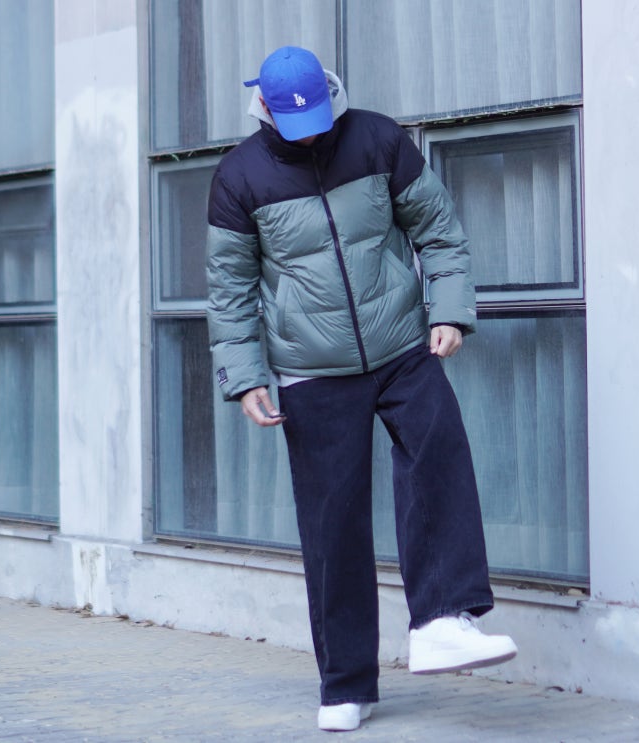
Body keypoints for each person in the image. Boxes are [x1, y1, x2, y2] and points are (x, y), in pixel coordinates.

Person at [206, 46, 517, 733]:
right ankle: (346, 682)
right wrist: (244, 374)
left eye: (317, 119)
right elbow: (229, 290)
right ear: (265, 109)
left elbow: (438, 231)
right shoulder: (239, 176)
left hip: (401, 343)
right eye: (294, 125)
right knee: (333, 524)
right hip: (310, 368)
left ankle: (441, 620)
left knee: (438, 452)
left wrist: (448, 310)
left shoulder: (377, 139)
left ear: (331, 95)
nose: (310, 136)